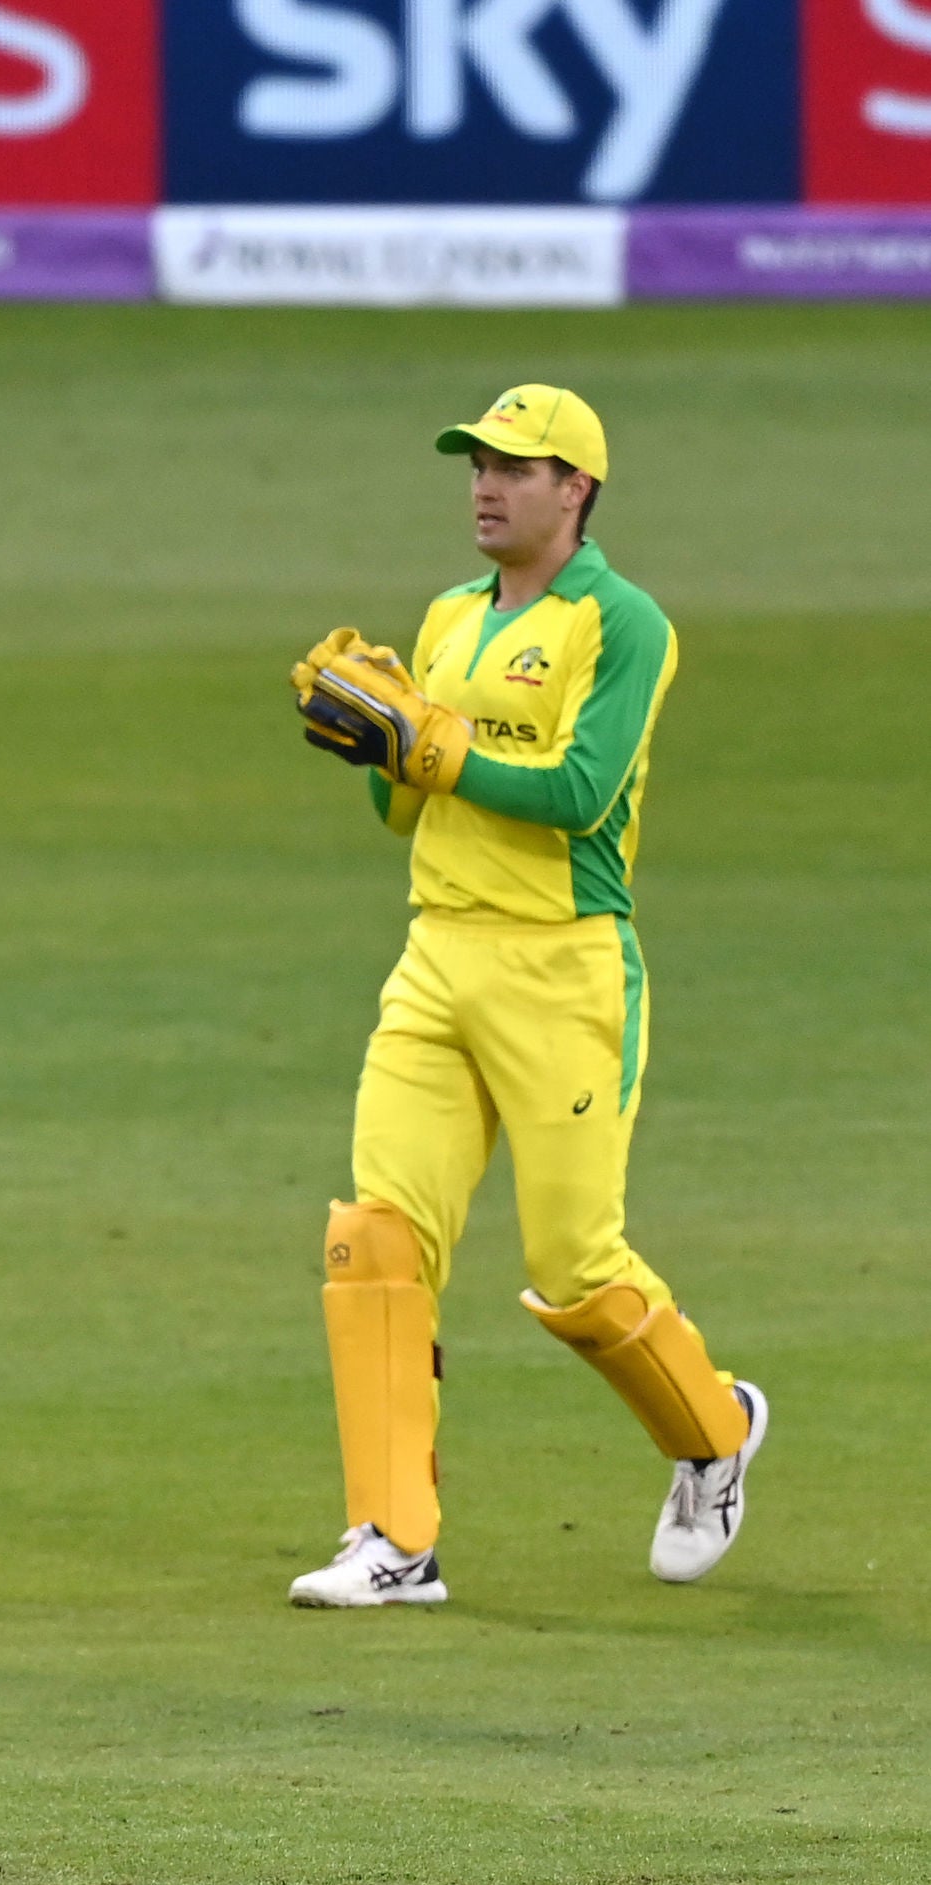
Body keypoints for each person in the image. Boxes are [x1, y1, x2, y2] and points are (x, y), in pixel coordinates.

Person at [287, 388, 766, 1608]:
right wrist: (377, 753)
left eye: (515, 467)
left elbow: (581, 792)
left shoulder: (623, 622)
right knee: (372, 1242)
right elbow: (410, 808)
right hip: (434, 954)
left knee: (574, 1267)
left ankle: (713, 1432)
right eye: (476, 464)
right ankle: (393, 1540)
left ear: (577, 491)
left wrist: (438, 747)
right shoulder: (446, 615)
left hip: (562, 966)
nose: (485, 486)